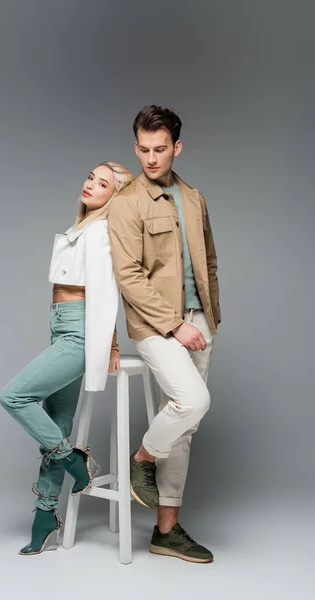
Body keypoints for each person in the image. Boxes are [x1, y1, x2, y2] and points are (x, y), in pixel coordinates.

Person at [0, 161, 134, 555]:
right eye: (91, 176)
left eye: (103, 182)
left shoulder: (102, 231)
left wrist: (109, 344)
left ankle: (74, 458)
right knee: (57, 421)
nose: (91, 184)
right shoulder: (82, 226)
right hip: (62, 323)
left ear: (116, 195)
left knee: (15, 396)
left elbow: (107, 290)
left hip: (80, 329)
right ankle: (45, 517)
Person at [108, 106, 221, 564]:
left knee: (186, 429)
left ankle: (166, 532)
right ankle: (141, 459)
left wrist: (208, 318)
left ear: (177, 146)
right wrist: (176, 324)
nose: (151, 159)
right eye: (143, 149)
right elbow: (128, 275)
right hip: (158, 324)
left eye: (160, 149)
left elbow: (209, 260)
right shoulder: (128, 201)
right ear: (135, 146)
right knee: (191, 402)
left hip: (201, 321)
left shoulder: (194, 198)